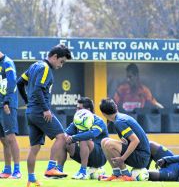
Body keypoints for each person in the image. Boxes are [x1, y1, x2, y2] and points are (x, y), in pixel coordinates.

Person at [17, 44, 72, 187]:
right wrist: (46, 109)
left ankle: (31, 179)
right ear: (54, 57)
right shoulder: (46, 68)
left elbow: (20, 83)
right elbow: (38, 89)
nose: (61, 65)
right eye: (61, 62)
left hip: (31, 112)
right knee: (62, 136)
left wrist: (28, 102)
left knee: (34, 148)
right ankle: (51, 168)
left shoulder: (35, 65)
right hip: (41, 112)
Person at [56, 97, 109, 180]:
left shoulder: (98, 121)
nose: (77, 111)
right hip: (85, 154)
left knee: (84, 138)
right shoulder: (77, 121)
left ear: (87, 110)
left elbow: (92, 134)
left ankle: (83, 172)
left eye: (79, 108)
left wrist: (74, 138)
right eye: (76, 108)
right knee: (63, 139)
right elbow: (66, 134)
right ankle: (59, 171)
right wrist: (66, 137)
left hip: (100, 157)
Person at [99, 98, 151, 181]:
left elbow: (135, 140)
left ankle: (126, 174)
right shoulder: (120, 118)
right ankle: (116, 174)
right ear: (116, 107)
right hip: (139, 154)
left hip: (141, 158)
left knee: (109, 144)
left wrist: (122, 158)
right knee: (104, 141)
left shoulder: (119, 121)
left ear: (103, 113)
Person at [0, 51, 21, 179]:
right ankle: (7, 170)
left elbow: (12, 82)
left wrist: (7, 100)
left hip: (7, 105)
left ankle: (17, 170)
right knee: (3, 140)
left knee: (11, 137)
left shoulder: (7, 62)